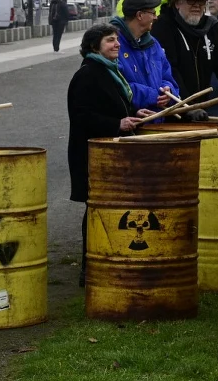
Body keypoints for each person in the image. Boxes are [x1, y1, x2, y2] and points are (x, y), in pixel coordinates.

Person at [67, 24, 156, 286]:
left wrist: (134, 113)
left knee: (111, 208)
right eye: (109, 41)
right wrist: (117, 124)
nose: (117, 44)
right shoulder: (87, 74)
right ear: (94, 47)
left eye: (117, 39)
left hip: (111, 152)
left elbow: (113, 105)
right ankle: (90, 269)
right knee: (96, 209)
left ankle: (112, 260)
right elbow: (81, 116)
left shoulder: (109, 71)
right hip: (93, 154)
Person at [110, 0, 175, 114]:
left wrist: (169, 91)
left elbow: (167, 76)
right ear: (139, 15)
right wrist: (153, 96)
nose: (156, 18)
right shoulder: (114, 45)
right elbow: (117, 86)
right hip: (132, 121)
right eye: (153, 13)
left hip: (159, 120)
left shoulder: (153, 44)